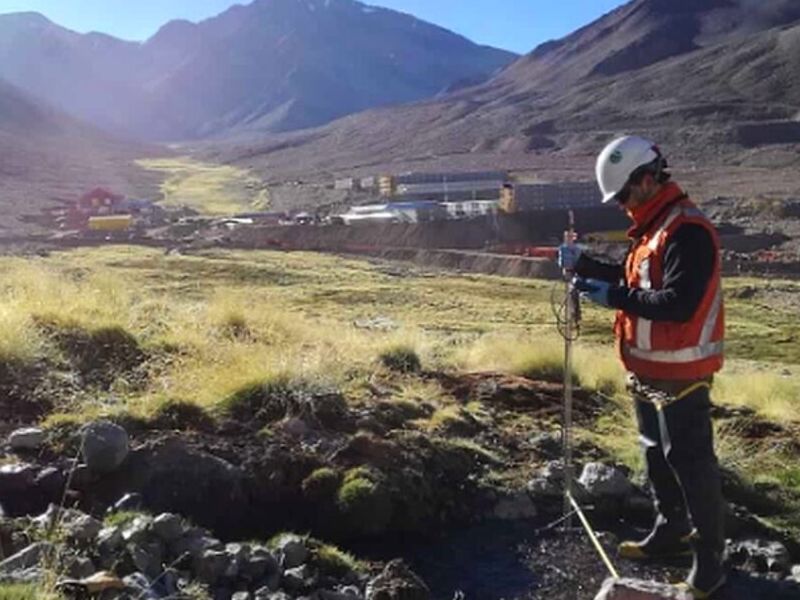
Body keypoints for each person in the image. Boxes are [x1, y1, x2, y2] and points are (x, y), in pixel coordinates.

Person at [559, 136, 726, 599]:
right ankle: (669, 531)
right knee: (657, 455)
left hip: (682, 374)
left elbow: (677, 303)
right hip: (648, 371)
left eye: (624, 195)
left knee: (691, 464)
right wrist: (586, 267)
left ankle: (711, 564)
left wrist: (613, 298)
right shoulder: (653, 229)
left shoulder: (686, 231)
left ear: (648, 178)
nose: (620, 206)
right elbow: (635, 279)